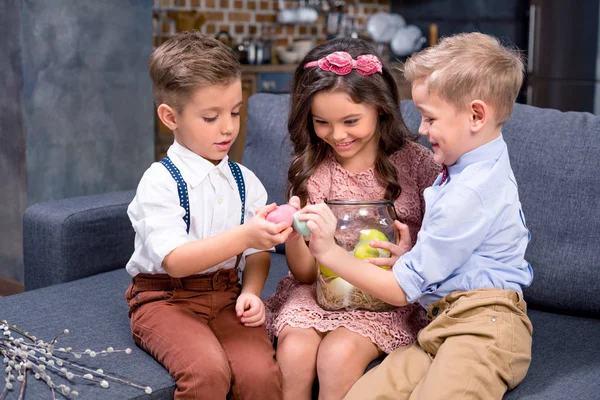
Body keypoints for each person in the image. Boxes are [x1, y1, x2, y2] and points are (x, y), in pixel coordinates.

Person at [297, 32, 534, 400]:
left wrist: (328, 252)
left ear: (476, 115)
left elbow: (398, 291)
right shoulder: (471, 159)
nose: (421, 130)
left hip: (486, 327)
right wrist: (412, 256)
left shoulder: (468, 192)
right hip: (442, 321)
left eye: (429, 118)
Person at [265, 37, 440, 400]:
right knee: (295, 351)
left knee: (337, 355)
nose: (338, 135)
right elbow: (305, 274)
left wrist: (408, 256)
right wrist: (297, 234)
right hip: (317, 293)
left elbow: (440, 252)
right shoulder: (312, 170)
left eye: (350, 121)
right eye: (322, 123)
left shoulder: (418, 165)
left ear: (381, 108)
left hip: (382, 299)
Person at [124, 31, 292, 400]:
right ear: (170, 117)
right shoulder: (160, 182)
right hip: (164, 300)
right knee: (207, 372)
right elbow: (178, 262)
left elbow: (257, 253)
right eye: (211, 116)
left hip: (227, 296)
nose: (229, 127)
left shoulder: (245, 181)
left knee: (261, 375)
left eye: (235, 112)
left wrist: (251, 292)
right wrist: (247, 235)